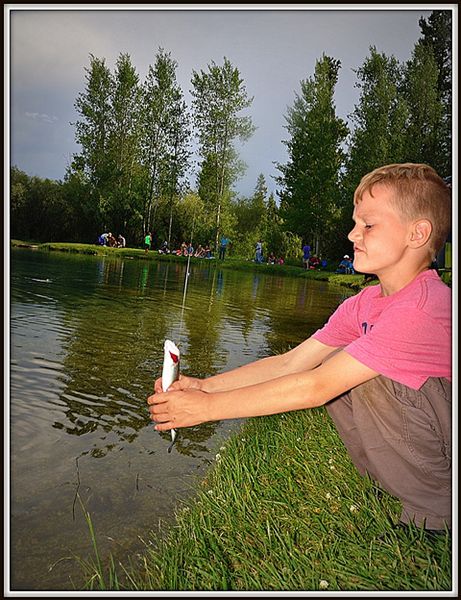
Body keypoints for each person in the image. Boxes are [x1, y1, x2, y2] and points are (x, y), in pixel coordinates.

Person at [148, 163, 452, 534]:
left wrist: (207, 409)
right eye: (355, 223)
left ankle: (437, 513)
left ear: (418, 233)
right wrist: (204, 387)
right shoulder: (365, 303)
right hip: (431, 430)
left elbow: (315, 387)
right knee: (338, 360)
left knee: (356, 373)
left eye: (368, 225)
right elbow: (292, 363)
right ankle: (393, 482)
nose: (352, 234)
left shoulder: (421, 307)